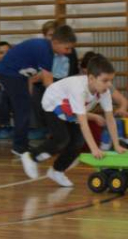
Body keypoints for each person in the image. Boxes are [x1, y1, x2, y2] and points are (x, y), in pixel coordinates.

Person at [20, 55, 125, 187]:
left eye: (111, 80)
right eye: (105, 80)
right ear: (91, 78)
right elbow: (83, 123)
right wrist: (94, 149)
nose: (109, 85)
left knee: (78, 142)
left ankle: (57, 171)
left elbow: (110, 118)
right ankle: (31, 156)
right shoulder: (79, 89)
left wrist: (116, 144)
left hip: (70, 110)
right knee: (62, 139)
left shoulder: (104, 91)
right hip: (52, 105)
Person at [0, 24, 77, 156]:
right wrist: (61, 101)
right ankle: (19, 147)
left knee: (25, 107)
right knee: (23, 109)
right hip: (9, 73)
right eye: (67, 48)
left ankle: (21, 143)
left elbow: (32, 76)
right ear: (56, 42)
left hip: (19, 74)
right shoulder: (45, 52)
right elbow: (48, 83)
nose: (69, 52)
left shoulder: (47, 48)